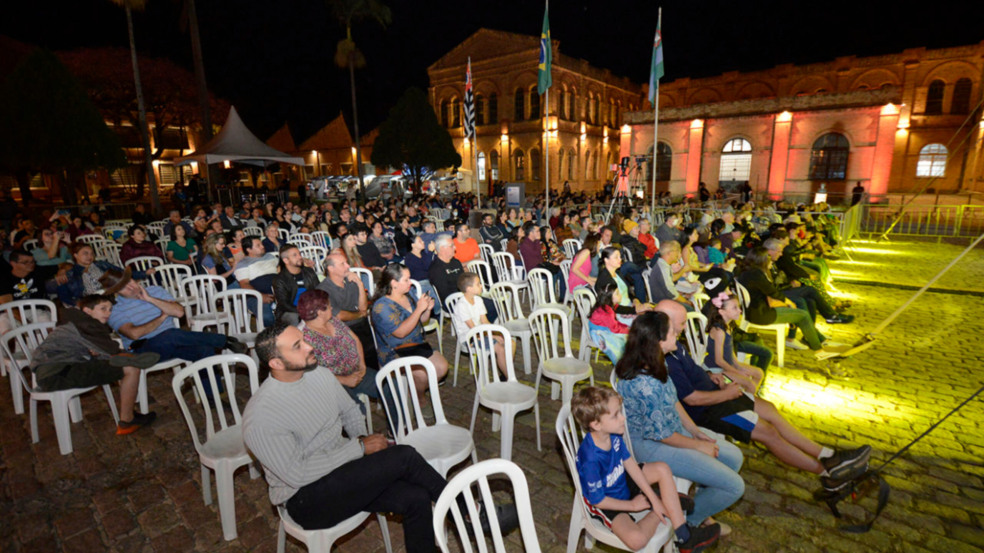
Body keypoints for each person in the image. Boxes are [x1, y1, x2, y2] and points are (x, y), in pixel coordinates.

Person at [242, 323, 450, 553]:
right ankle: (471, 513)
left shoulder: (318, 374)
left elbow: (350, 411)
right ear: (276, 363)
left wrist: (360, 440)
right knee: (405, 456)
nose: (310, 346)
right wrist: (359, 447)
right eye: (298, 346)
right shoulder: (261, 416)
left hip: (342, 472)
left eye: (304, 340)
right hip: (306, 498)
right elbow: (296, 474)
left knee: (417, 497)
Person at [658, 299, 871, 492]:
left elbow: (690, 375)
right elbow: (691, 400)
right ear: (666, 324)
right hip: (710, 409)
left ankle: (828, 455)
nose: (686, 327)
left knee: (769, 409)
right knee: (768, 432)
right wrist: (727, 393)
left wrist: (709, 375)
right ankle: (828, 475)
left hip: (716, 393)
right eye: (683, 323)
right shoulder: (664, 358)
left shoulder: (673, 343)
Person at [615, 311, 744, 533]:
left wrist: (695, 431)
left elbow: (674, 400)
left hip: (672, 430)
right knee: (735, 486)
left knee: (735, 457)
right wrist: (698, 445)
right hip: (651, 445)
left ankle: (698, 509)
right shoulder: (646, 384)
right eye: (672, 331)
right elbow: (661, 435)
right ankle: (690, 522)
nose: (678, 332)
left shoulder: (656, 361)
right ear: (658, 341)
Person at [572, 386, 720, 553]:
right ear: (596, 424)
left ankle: (684, 536)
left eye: (620, 412)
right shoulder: (590, 459)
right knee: (637, 540)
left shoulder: (613, 435)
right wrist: (633, 506)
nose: (622, 419)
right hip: (608, 501)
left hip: (622, 480)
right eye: (615, 415)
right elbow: (598, 501)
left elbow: (630, 464)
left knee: (662, 469)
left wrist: (652, 498)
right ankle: (667, 504)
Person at [29, 295, 161, 435]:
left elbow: (101, 350)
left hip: (57, 369)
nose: (108, 313)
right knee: (131, 368)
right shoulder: (86, 326)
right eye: (103, 309)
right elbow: (112, 351)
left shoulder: (76, 320)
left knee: (121, 362)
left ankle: (129, 413)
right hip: (57, 373)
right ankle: (127, 421)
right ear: (87, 310)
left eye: (110, 309)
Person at [100, 267, 246, 361]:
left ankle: (213, 397)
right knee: (170, 334)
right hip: (144, 350)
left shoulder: (155, 290)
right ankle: (225, 340)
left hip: (174, 342)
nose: (131, 287)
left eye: (130, 281)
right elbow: (134, 334)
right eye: (124, 287)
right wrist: (162, 316)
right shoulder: (115, 309)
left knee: (204, 351)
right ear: (116, 292)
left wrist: (149, 298)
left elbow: (179, 312)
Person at [298, 290, 389, 413]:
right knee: (355, 410)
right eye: (329, 306)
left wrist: (362, 365)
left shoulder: (333, 321)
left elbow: (355, 340)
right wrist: (344, 380)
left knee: (390, 387)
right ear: (320, 312)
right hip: (333, 383)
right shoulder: (304, 338)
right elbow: (312, 374)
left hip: (357, 371)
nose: (332, 307)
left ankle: (396, 426)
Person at [737, 247, 836, 358]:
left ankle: (814, 342)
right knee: (803, 315)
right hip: (762, 314)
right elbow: (773, 293)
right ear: (762, 260)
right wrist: (788, 303)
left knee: (799, 310)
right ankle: (819, 350)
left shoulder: (747, 271)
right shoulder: (757, 275)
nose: (771, 261)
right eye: (768, 259)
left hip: (754, 311)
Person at [370, 264, 448, 392]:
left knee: (442, 367)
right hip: (395, 351)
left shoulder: (409, 294)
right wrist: (419, 309)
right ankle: (419, 398)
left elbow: (422, 320)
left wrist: (426, 310)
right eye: (406, 280)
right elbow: (400, 333)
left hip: (415, 344)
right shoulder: (382, 306)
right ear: (394, 283)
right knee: (422, 374)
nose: (410, 282)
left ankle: (416, 390)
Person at [316, 250, 378, 370]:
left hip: (361, 325)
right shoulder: (323, 290)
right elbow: (339, 316)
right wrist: (360, 314)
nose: (348, 266)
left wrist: (360, 284)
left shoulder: (351, 282)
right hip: (341, 330)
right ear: (331, 269)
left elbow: (363, 308)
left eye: (346, 263)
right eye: (342, 264)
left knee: (371, 358)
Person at [699, 291, 765, 393]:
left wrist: (737, 365)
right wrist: (737, 372)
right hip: (715, 372)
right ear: (722, 312)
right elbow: (718, 361)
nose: (739, 311)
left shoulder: (729, 326)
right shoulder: (719, 331)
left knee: (759, 373)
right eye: (734, 308)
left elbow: (729, 351)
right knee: (749, 383)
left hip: (726, 367)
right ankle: (747, 401)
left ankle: (749, 398)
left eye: (738, 307)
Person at [451, 273, 508, 376]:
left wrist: (498, 332)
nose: (481, 286)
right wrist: (493, 335)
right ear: (469, 289)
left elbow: (485, 321)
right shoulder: (462, 306)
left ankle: (505, 373)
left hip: (480, 332)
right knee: (500, 348)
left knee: (509, 341)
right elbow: (473, 329)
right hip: (469, 337)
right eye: (478, 284)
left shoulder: (478, 299)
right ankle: (509, 378)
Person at [595, 247, 651, 322]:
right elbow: (612, 306)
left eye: (620, 256)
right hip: (618, 314)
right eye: (616, 257)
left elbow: (627, 292)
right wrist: (634, 310)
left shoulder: (618, 273)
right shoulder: (604, 279)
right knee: (649, 323)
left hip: (628, 306)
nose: (620, 259)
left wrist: (635, 300)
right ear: (606, 260)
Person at [234, 236, 279, 327]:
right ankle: (273, 337)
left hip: (278, 292)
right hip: (256, 296)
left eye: (261, 244)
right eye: (258, 245)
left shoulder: (269, 256)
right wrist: (260, 296)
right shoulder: (243, 264)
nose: (262, 246)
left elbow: (280, 269)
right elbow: (244, 284)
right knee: (267, 317)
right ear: (249, 250)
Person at [273, 244, 321, 325]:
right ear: (286, 260)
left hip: (310, 307)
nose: (299, 257)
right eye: (295, 255)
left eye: (299, 254)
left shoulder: (309, 272)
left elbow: (319, 291)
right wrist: (303, 311)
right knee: (293, 318)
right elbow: (284, 304)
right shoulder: (280, 280)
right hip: (290, 311)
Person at [518, 223, 566, 301]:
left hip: (540, 266)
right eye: (537, 231)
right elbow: (537, 254)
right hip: (534, 270)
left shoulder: (533, 242)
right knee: (552, 273)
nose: (539, 233)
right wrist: (537, 240)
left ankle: (562, 297)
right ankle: (551, 298)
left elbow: (539, 257)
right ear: (531, 233)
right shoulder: (525, 244)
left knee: (561, 271)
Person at [587, 282, 631, 364]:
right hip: (598, 333)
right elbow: (614, 329)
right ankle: (624, 363)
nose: (620, 295)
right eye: (617, 293)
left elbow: (615, 323)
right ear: (610, 297)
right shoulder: (607, 311)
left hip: (601, 327)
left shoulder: (607, 307)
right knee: (625, 341)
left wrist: (626, 327)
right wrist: (628, 331)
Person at [647, 241, 694, 310]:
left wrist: (683, 270)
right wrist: (685, 301)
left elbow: (672, 279)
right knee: (690, 308)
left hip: (665, 299)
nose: (679, 255)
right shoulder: (663, 267)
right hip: (662, 302)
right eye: (677, 252)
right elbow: (670, 291)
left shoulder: (663, 264)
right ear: (670, 253)